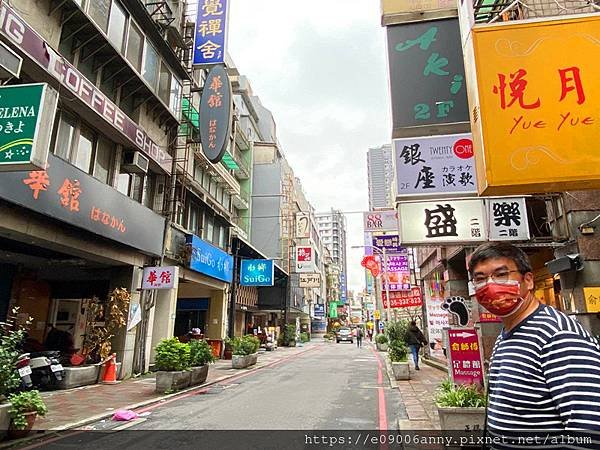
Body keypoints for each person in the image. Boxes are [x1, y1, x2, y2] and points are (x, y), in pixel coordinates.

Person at [469, 243, 600, 442]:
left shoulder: (558, 335)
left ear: (528, 280)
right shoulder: (507, 334)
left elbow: (591, 428)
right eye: (480, 279)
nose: (490, 284)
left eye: (501, 274)